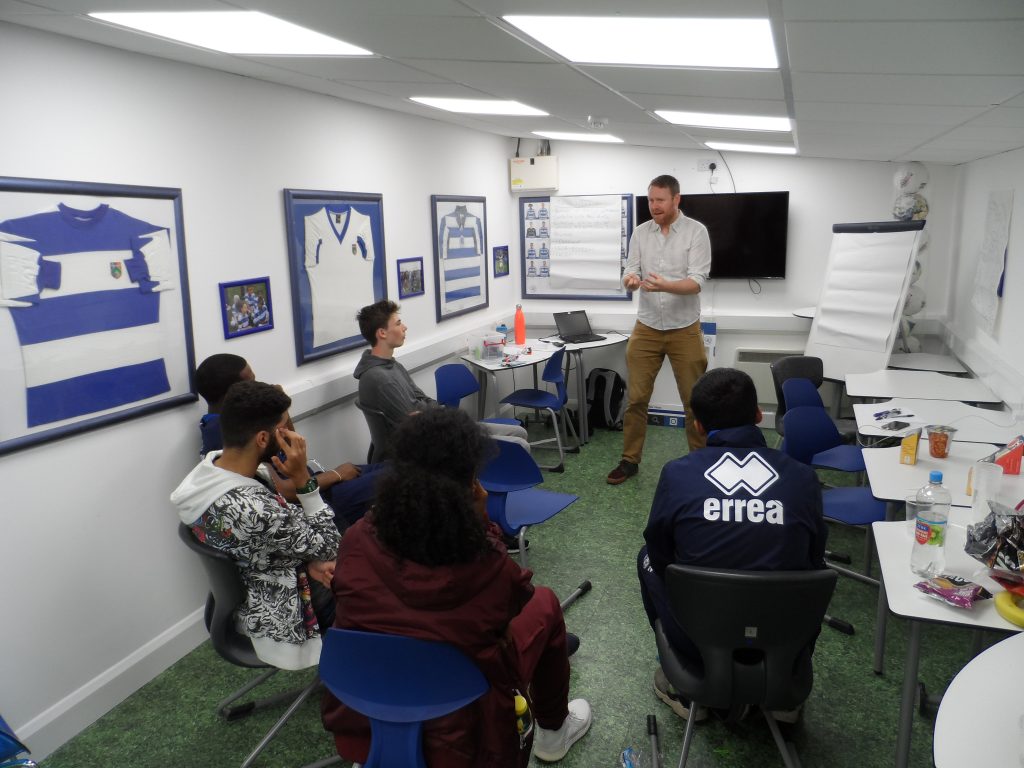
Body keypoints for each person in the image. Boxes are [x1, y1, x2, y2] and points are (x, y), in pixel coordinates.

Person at [321, 408, 592, 767]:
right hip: (463, 727)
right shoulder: (489, 564)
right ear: (471, 483)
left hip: (367, 708)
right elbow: (507, 616)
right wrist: (482, 524)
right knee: (545, 603)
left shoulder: (355, 539)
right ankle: (554, 734)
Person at [636, 368, 827, 719]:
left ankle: (691, 683)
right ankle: (785, 696)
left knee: (646, 557)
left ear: (698, 426)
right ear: (758, 415)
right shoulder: (803, 477)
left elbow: (661, 554)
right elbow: (815, 558)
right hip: (786, 631)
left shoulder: (678, 473)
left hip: (702, 629)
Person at [171, 380, 341, 670]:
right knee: (374, 576)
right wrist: (303, 480)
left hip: (264, 577)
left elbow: (271, 541)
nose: (290, 434)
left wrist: (308, 561)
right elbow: (330, 544)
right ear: (263, 439)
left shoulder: (209, 472)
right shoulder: (251, 507)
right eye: (284, 427)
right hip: (279, 608)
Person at [194, 353, 382, 528]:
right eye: (251, 381)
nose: (259, 384)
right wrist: (336, 474)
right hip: (314, 504)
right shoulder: (232, 434)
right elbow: (285, 491)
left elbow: (289, 443)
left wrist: (279, 406)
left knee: (394, 467)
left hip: (314, 487)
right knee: (400, 477)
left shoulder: (224, 421)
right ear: (234, 393)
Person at [607, 174, 711, 484]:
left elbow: (696, 283)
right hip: (647, 326)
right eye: (651, 200)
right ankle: (629, 460)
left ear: (676, 199)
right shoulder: (640, 233)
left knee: (694, 400)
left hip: (685, 328)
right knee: (637, 398)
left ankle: (701, 462)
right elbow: (631, 269)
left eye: (660, 200)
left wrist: (665, 285)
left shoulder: (696, 232)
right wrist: (629, 280)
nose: (654, 206)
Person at [354, 300, 530, 450]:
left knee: (519, 432)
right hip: (427, 443)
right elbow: (413, 425)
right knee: (519, 444)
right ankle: (481, 487)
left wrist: (435, 412)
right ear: (382, 333)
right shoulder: (379, 379)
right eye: (399, 323)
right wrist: (438, 414)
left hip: (436, 426)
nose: (405, 327)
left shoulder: (392, 365)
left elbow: (421, 399)